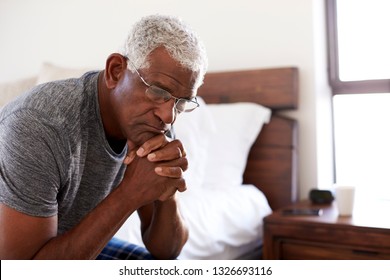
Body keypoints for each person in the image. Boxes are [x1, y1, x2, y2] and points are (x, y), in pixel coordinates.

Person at [0, 14, 208, 260]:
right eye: (158, 91)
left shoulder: (155, 120)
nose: (169, 116)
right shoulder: (40, 124)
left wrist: (167, 187)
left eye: (182, 103)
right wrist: (130, 193)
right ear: (116, 71)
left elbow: (167, 251)